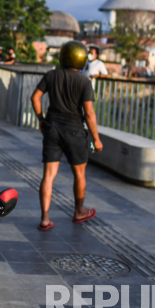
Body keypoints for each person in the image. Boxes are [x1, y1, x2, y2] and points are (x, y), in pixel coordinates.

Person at [30, 40, 103, 231]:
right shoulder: (84, 81)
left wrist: (41, 119)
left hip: (52, 128)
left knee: (48, 176)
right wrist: (96, 139)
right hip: (75, 131)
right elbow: (89, 113)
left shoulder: (51, 75)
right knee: (79, 174)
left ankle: (45, 218)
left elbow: (35, 97)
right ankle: (79, 211)